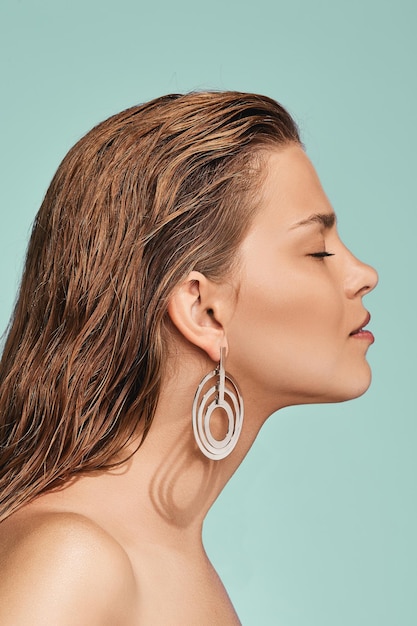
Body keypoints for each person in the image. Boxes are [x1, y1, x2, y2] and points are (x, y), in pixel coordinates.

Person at [0, 91, 378, 624]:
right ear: (203, 311)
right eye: (318, 250)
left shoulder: (167, 556)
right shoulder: (74, 560)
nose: (364, 274)